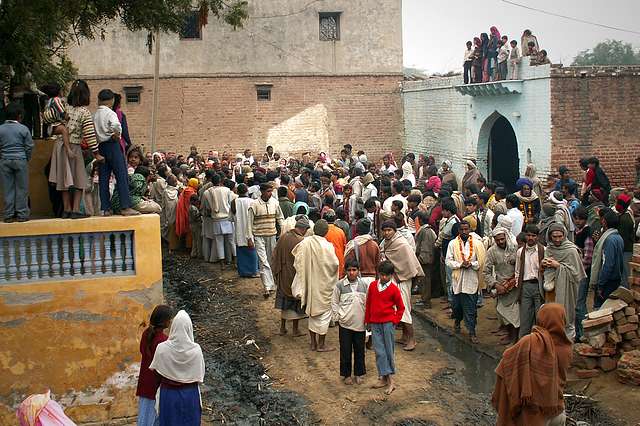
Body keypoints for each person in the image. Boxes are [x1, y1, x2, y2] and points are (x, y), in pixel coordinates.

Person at [492, 304, 572, 426]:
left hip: (533, 416)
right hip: (556, 411)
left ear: (541, 319)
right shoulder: (567, 348)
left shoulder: (529, 342)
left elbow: (506, 359)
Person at [291, 219, 340, 352]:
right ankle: (322, 345)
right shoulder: (327, 246)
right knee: (324, 315)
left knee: (312, 315)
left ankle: (313, 343)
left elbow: (297, 261)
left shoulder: (305, 243)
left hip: (310, 284)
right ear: (326, 232)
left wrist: (307, 273)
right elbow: (334, 264)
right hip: (324, 285)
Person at [149, 310, 205, 426]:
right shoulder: (196, 351)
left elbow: (156, 374)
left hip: (168, 395)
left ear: (173, 327)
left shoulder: (162, 348)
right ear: (189, 328)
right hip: (190, 395)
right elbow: (199, 376)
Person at [94, 88, 139, 216]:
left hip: (101, 147)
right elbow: (116, 126)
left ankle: (106, 208)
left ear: (99, 100)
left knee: (104, 178)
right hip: (113, 145)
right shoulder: (111, 113)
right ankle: (125, 206)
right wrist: (116, 134)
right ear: (112, 100)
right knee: (121, 175)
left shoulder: (95, 114)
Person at [380, 219, 424, 350]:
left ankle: (412, 339)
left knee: (403, 309)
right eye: (385, 230)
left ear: (395, 231)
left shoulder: (401, 244)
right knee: (397, 309)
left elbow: (411, 264)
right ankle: (405, 337)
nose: (387, 233)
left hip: (403, 280)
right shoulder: (386, 243)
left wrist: (400, 276)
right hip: (393, 279)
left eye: (389, 230)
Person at [365, 260, 405, 396]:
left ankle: (390, 380)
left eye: (386, 276)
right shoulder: (372, 286)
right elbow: (368, 304)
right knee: (379, 351)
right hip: (375, 323)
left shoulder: (394, 289)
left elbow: (401, 308)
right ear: (378, 274)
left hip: (388, 323)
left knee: (388, 351)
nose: (383, 278)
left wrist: (394, 321)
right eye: (381, 275)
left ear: (391, 275)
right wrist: (367, 321)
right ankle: (383, 377)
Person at [542, 223, 586, 341]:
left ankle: (566, 342)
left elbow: (576, 273)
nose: (557, 239)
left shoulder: (571, 250)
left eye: (560, 236)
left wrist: (559, 266)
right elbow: (546, 269)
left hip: (568, 288)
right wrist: (545, 264)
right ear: (549, 236)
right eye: (554, 236)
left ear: (564, 235)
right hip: (552, 289)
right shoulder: (549, 248)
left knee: (566, 315)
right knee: (552, 314)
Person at [446, 220, 486, 343]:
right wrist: (460, 264)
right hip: (458, 281)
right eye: (462, 229)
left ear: (470, 230)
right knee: (457, 306)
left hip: (471, 279)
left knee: (471, 308)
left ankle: (472, 332)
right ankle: (457, 322)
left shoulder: (477, 244)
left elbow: (482, 261)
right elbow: (448, 260)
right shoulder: (453, 243)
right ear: (458, 230)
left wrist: (471, 264)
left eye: (466, 229)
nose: (464, 232)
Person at [331, 258, 368, 385]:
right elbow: (334, 302)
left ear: (358, 271)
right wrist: (337, 317)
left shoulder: (364, 285)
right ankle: (346, 375)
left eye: (354, 270)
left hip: (360, 323)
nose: (351, 273)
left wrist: (368, 320)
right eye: (349, 270)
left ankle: (358, 374)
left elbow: (368, 304)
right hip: (345, 324)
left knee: (359, 349)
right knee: (345, 350)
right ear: (345, 271)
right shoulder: (339, 285)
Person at [136, 305, 173, 426]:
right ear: (164, 321)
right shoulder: (163, 341)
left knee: (145, 417)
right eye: (169, 319)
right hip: (156, 384)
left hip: (145, 382)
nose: (170, 321)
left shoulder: (146, 334)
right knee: (154, 418)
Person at [273, 216, 310, 337]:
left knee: (284, 304)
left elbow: (275, 254)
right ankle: (295, 329)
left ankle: (282, 328)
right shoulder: (301, 241)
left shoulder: (283, 237)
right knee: (296, 303)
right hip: (293, 276)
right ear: (303, 229)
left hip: (283, 275)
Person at [484, 227, 519, 344]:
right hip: (501, 287)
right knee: (504, 313)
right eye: (497, 240)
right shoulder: (491, 252)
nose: (500, 242)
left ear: (506, 237)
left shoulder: (515, 248)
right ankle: (509, 334)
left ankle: (514, 338)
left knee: (515, 313)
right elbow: (486, 272)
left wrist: (513, 281)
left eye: (502, 239)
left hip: (515, 285)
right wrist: (495, 285)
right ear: (494, 239)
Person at [248, 183, 284, 297]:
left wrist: (283, 232)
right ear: (262, 192)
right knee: (263, 261)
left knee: (271, 260)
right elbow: (249, 223)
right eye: (268, 191)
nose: (270, 193)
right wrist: (249, 238)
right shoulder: (254, 205)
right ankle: (267, 287)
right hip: (259, 235)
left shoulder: (275, 202)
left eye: (271, 191)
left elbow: (280, 218)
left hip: (271, 235)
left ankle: (272, 284)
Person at [0, 102, 33, 223]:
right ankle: (22, 214)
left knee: (8, 188)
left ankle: (8, 215)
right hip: (20, 160)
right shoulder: (23, 129)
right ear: (19, 116)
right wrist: (26, 158)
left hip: (5, 160)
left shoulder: (1, 129)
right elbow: (29, 146)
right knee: (22, 188)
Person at [590, 209, 624, 308]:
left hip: (608, 282)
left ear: (604, 222)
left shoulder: (609, 239)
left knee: (600, 311)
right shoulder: (618, 237)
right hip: (615, 280)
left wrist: (601, 285)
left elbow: (608, 264)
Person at [516, 224, 545, 338]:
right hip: (525, 287)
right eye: (528, 235)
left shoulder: (543, 250)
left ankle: (539, 344)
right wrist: (519, 285)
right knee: (525, 319)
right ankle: (523, 344)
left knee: (540, 318)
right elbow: (517, 271)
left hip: (539, 286)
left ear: (537, 237)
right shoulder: (520, 252)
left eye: (533, 235)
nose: (531, 238)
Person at [201, 174, 235, 266]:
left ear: (212, 182)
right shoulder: (227, 190)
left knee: (219, 242)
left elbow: (206, 208)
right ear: (220, 181)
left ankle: (222, 263)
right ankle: (235, 261)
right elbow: (230, 203)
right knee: (231, 241)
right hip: (227, 218)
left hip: (216, 219)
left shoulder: (206, 193)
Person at [230, 183, 259, 277]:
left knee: (241, 252)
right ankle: (254, 271)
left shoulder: (234, 202)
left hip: (239, 230)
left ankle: (243, 272)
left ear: (237, 192)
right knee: (252, 250)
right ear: (247, 191)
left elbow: (230, 218)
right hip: (251, 230)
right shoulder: (253, 201)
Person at [573, 207, 593, 342]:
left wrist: (578, 269)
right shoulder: (578, 231)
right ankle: (579, 332)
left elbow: (587, 258)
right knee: (576, 304)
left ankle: (583, 333)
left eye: (580, 219)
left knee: (580, 305)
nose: (577, 221)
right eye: (576, 218)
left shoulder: (587, 233)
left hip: (583, 274)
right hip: (577, 273)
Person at [344, 218, 380, 283]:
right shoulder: (375, 245)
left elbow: (348, 264)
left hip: (358, 279)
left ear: (357, 229)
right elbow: (378, 265)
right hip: (373, 279)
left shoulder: (352, 245)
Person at [414, 211, 437, 308]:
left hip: (425, 260)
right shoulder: (428, 230)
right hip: (427, 259)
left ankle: (426, 301)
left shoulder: (425, 231)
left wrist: (421, 259)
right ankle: (424, 299)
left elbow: (425, 247)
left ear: (421, 220)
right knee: (424, 281)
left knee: (425, 281)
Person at [616, 194, 635, 288]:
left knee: (625, 274)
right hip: (626, 249)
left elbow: (622, 238)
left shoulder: (624, 219)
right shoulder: (625, 215)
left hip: (626, 250)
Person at [324, 210, 348, 278]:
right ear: (335, 218)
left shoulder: (322, 231)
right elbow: (344, 248)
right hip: (338, 263)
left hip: (326, 264)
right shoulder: (340, 232)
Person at [161, 175, 180, 253]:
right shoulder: (166, 192)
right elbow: (164, 205)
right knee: (170, 228)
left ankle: (174, 246)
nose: (176, 182)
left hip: (175, 213)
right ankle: (171, 246)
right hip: (169, 213)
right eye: (175, 181)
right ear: (172, 183)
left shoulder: (177, 190)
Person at [188, 194, 202, 259]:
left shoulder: (190, 207)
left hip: (191, 225)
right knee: (198, 240)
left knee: (194, 240)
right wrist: (200, 213)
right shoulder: (193, 208)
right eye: (196, 201)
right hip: (195, 225)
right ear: (193, 201)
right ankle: (199, 254)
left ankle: (193, 253)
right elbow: (195, 217)